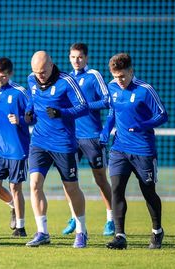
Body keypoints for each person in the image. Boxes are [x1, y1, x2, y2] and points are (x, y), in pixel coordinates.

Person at [101, 53, 168, 249]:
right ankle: (120, 236)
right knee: (116, 189)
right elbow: (113, 111)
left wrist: (143, 125)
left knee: (148, 191)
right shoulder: (112, 87)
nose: (119, 80)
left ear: (131, 71)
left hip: (143, 150)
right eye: (115, 76)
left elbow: (163, 115)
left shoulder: (145, 90)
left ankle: (157, 231)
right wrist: (106, 130)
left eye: (122, 76)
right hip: (119, 149)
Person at [25, 51, 89, 248]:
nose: (39, 76)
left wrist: (63, 113)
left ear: (51, 65)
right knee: (34, 185)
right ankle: (42, 232)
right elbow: (32, 101)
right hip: (39, 142)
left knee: (71, 188)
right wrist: (29, 113)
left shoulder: (66, 81)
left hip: (63, 143)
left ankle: (81, 231)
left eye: (42, 71)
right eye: (36, 72)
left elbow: (84, 107)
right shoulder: (31, 79)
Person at [62, 42, 114, 236]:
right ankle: (74, 217)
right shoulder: (66, 79)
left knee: (100, 179)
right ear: (69, 58)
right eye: (73, 57)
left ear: (86, 58)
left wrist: (84, 106)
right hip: (71, 138)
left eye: (80, 57)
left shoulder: (94, 76)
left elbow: (108, 101)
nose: (77, 60)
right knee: (69, 180)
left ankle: (111, 219)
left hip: (92, 136)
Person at [0, 57, 30, 237]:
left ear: (10, 74)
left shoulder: (20, 92)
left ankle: (21, 227)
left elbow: (33, 116)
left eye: (3, 76)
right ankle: (13, 206)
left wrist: (20, 120)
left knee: (15, 187)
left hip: (18, 148)